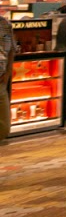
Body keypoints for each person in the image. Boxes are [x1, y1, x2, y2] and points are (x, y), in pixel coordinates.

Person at [0, 15, 15, 144]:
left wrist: (8, 72)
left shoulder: (5, 24)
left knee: (4, 127)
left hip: (1, 80)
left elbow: (11, 51)